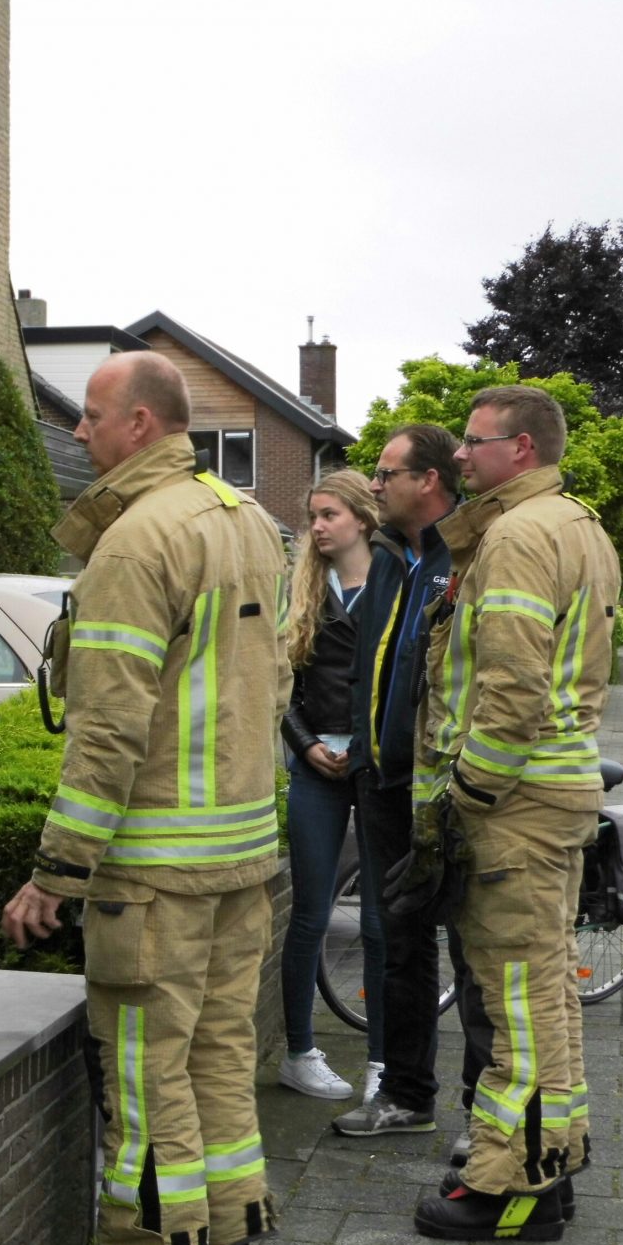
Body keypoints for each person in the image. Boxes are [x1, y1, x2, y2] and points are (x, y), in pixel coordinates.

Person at [1, 350, 289, 1245]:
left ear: (141, 424)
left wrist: (56, 872)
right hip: (243, 859)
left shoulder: (135, 542)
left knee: (148, 1078)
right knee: (221, 1061)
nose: (77, 429)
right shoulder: (249, 520)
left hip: (155, 875)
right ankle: (227, 1243)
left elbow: (108, 730)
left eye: (91, 415)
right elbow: (272, 682)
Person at [407, 386, 620, 1243]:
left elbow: (513, 687)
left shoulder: (519, 535)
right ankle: (550, 1160)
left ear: (522, 449)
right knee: (548, 993)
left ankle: (510, 1191)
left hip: (516, 804)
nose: (460, 454)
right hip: (556, 793)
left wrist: (467, 796)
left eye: (475, 440)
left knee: (517, 1007)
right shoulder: (577, 524)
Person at [329, 425, 464, 1140]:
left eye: (386, 474)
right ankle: (408, 1097)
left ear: (429, 481)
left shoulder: (467, 555)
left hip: (448, 790)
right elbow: (366, 666)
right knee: (399, 943)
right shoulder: (387, 555)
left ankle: (488, 1117)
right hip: (382, 782)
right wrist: (362, 756)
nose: (374, 486)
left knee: (473, 947)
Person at [276, 469, 384, 1102]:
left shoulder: (395, 584)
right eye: (312, 516)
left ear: (362, 519)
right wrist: (306, 745)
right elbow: (281, 689)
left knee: (378, 918)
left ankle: (381, 1061)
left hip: (374, 766)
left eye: (329, 515)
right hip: (315, 766)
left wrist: (366, 748)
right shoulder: (303, 592)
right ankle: (299, 1053)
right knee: (310, 914)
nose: (316, 527)